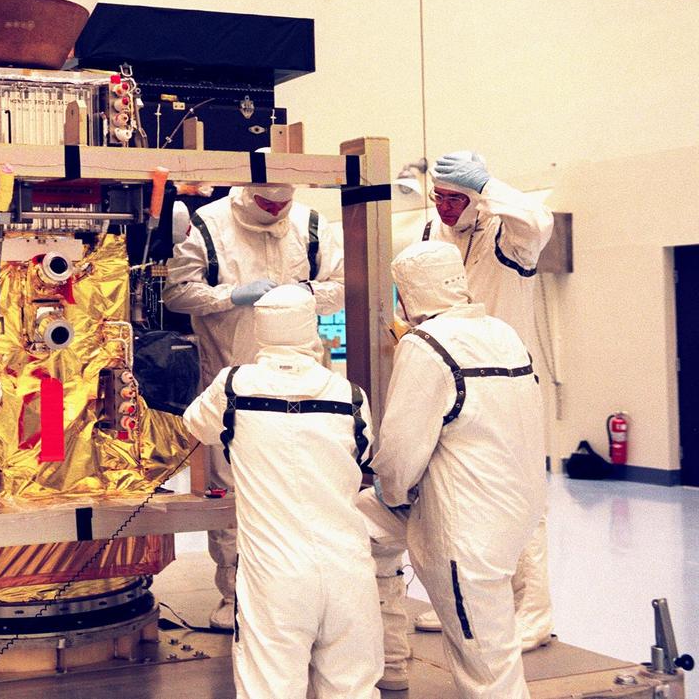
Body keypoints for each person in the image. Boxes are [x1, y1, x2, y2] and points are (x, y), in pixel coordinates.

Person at [359, 241, 545, 697]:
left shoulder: (426, 345)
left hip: (462, 530)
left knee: (487, 665)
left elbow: (401, 453)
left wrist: (390, 488)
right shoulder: (503, 333)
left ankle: (380, 661)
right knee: (357, 529)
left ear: (409, 293)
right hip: (512, 515)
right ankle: (392, 662)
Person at [183, 286, 380, 698]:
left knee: (270, 689)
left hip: (275, 576)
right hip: (348, 570)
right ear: (312, 329)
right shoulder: (350, 395)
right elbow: (365, 459)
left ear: (258, 329)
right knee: (354, 690)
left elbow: (195, 425)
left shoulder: (234, 386)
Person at [163, 182, 344, 629]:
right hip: (232, 376)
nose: (275, 211)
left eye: (283, 205)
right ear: (247, 195)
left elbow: (341, 287)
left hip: (303, 387)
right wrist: (232, 295)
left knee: (305, 488)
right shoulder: (210, 223)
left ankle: (300, 594)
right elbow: (176, 292)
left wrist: (296, 294)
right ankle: (236, 595)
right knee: (231, 495)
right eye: (266, 204)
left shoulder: (311, 224)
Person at [417, 151, 556, 650]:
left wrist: (489, 182)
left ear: (476, 194)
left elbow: (540, 221)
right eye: (439, 197)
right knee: (452, 498)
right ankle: (465, 606)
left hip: (506, 383)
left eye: (457, 198)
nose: (446, 208)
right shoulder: (434, 231)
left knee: (521, 501)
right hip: (450, 381)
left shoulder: (506, 230)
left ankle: (533, 615)